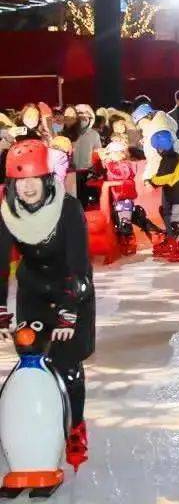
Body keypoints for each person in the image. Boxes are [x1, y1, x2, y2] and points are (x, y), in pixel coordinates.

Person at [0, 139, 96, 469]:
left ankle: (76, 427)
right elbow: (0, 263)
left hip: (71, 287)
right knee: (34, 361)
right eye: (20, 180)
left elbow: (79, 263)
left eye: (33, 178)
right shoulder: (7, 212)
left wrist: (69, 313)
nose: (27, 187)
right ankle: (39, 425)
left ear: (46, 178)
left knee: (68, 365)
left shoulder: (67, 208)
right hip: (33, 290)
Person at [147, 130, 179, 262]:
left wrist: (151, 181)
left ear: (160, 148)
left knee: (178, 224)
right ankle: (175, 244)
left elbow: (163, 177)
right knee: (172, 219)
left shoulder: (170, 159)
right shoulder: (174, 157)